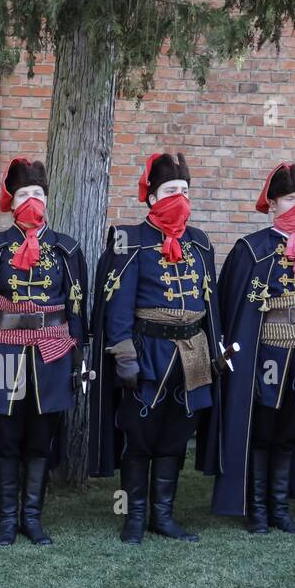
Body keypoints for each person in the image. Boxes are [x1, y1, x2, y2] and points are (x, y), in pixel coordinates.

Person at [89, 153, 222, 543]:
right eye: (169, 191)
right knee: (139, 436)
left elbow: (209, 301)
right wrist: (124, 355)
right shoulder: (129, 238)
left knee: (176, 436)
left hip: (193, 353)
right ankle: (133, 519)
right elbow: (117, 304)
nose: (178, 197)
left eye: (184, 190)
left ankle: (163, 517)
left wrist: (214, 353)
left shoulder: (199, 242)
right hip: (147, 351)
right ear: (151, 197)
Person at [207, 162, 295, 534]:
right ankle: (256, 509)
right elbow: (230, 305)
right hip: (265, 356)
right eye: (290, 199)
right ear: (272, 204)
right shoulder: (250, 251)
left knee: (290, 434)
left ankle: (280, 508)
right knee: (263, 432)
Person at [0, 158, 88, 545]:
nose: (32, 200)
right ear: (11, 202)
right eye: (24, 194)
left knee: (40, 439)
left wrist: (78, 356)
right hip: (3, 354)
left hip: (52, 354)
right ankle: (7, 521)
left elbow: (75, 305)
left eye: (38, 194)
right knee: (7, 439)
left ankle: (33, 517)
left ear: (47, 200)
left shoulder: (67, 249)